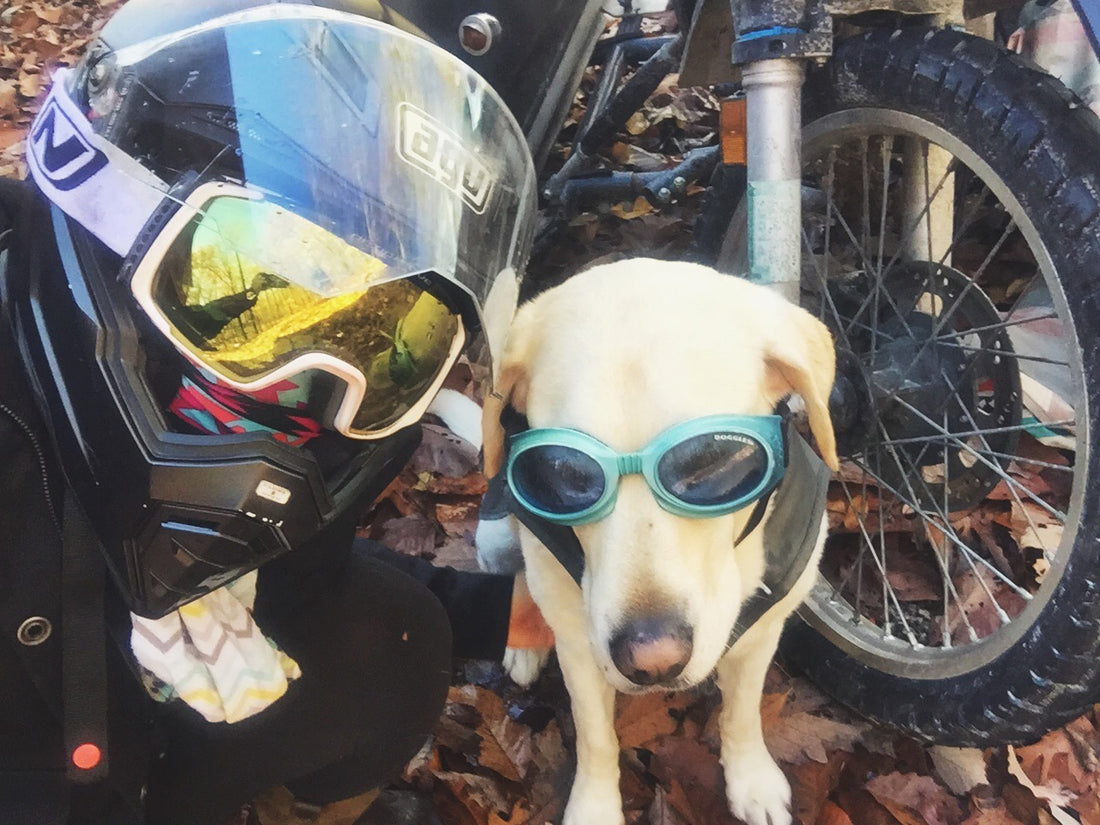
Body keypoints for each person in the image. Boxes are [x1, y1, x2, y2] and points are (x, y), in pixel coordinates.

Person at [0, 2, 549, 823]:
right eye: (252, 285)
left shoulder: (302, 421)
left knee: (397, 639)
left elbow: (295, 569)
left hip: (135, 758)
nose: (318, 380)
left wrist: (487, 610)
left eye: (391, 336)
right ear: (100, 214)